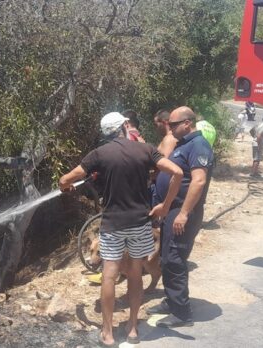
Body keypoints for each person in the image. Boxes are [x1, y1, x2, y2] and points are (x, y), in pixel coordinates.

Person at [59, 112, 184, 346]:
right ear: (125, 126)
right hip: (139, 223)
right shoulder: (146, 149)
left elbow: (68, 178)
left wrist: (63, 185)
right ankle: (133, 328)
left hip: (113, 224)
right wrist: (165, 206)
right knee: (135, 275)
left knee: (109, 276)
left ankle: (107, 333)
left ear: (107, 133)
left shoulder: (99, 154)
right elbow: (177, 172)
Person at [145, 106, 214, 328]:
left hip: (184, 211)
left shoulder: (198, 145)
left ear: (187, 123)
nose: (170, 127)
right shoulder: (182, 144)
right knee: (165, 258)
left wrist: (183, 213)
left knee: (174, 258)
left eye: (174, 124)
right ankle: (171, 301)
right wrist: (165, 206)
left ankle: (182, 314)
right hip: (172, 208)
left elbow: (198, 181)